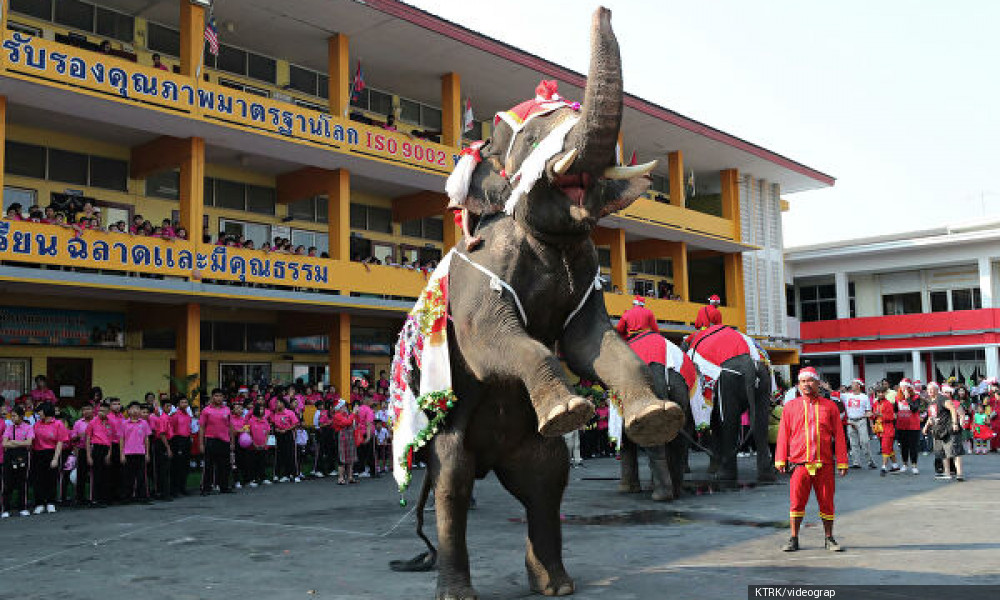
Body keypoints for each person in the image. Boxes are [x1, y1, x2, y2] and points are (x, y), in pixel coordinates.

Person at [774, 367, 849, 552]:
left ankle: (829, 538)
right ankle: (793, 538)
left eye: (810, 381)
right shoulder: (790, 407)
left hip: (824, 464)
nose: (807, 384)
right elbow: (783, 433)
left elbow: (839, 435)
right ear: (799, 385)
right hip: (799, 464)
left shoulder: (830, 406)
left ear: (817, 383)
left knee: (826, 502)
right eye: (803, 382)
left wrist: (842, 460)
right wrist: (780, 458)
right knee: (796, 502)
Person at [923, 384, 966, 481]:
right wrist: (926, 427)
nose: (929, 391)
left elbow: (952, 409)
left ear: (937, 390)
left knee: (955, 451)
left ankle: (959, 474)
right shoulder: (931, 402)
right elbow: (931, 417)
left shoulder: (942, 398)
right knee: (942, 453)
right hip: (939, 431)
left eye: (932, 389)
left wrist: (955, 423)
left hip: (949, 429)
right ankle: (947, 473)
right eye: (928, 389)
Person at [32, 403, 69, 514]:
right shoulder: (37, 424)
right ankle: (39, 503)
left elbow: (60, 442)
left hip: (52, 452)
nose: (38, 413)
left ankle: (50, 502)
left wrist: (55, 458)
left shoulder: (58, 424)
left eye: (40, 411)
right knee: (38, 479)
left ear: (47, 411)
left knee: (51, 478)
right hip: (38, 453)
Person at [199, 389, 233, 495]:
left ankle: (224, 486)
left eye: (220, 396)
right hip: (211, 440)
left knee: (224, 465)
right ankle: (206, 488)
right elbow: (201, 427)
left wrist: (232, 442)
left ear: (223, 397)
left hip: (225, 440)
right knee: (208, 465)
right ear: (212, 397)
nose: (218, 398)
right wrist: (201, 444)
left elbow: (230, 427)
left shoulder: (227, 410)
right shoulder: (206, 410)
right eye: (216, 396)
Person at [2, 407, 33, 517]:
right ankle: (6, 509)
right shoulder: (9, 428)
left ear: (21, 416)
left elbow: (29, 443)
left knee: (22, 482)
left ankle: (22, 507)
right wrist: (20, 442)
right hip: (9, 455)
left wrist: (14, 441)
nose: (12, 418)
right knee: (7, 482)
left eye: (14, 416)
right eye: (12, 416)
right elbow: (4, 444)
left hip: (23, 454)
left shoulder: (28, 427)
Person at [119, 402, 151, 503]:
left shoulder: (144, 423)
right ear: (128, 411)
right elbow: (121, 439)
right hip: (128, 453)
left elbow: (146, 439)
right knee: (128, 476)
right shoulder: (124, 423)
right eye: (132, 408)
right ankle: (127, 497)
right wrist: (122, 454)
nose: (135, 411)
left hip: (140, 453)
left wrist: (147, 453)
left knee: (141, 476)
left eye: (137, 408)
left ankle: (142, 497)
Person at [85, 401, 115, 506]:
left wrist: (109, 454)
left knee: (106, 475)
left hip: (106, 449)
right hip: (96, 448)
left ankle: (104, 498)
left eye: (103, 411)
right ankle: (94, 499)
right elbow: (88, 439)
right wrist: (89, 456)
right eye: (100, 411)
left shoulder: (110, 423)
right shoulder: (93, 422)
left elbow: (110, 439)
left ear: (108, 412)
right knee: (96, 474)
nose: (101, 413)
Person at [842, 379, 875, 469]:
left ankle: (870, 461)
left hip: (861, 420)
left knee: (865, 441)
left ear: (858, 386)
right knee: (853, 443)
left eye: (853, 384)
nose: (852, 385)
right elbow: (835, 395)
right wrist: (828, 389)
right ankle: (856, 462)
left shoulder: (864, 397)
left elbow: (868, 411)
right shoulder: (847, 396)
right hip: (850, 421)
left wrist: (870, 421)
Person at [894, 380, 922, 474]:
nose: (903, 389)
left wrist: (908, 398)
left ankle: (914, 465)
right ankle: (905, 464)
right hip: (901, 426)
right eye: (902, 387)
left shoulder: (916, 397)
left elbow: (914, 409)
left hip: (913, 426)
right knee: (903, 447)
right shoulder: (897, 398)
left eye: (905, 387)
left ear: (909, 388)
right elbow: (895, 411)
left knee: (913, 447)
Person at [70, 404, 94, 505]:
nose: (86, 411)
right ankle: (80, 498)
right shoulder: (78, 423)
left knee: (94, 474)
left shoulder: (97, 421)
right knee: (81, 475)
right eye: (84, 409)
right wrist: (78, 436)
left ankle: (94, 496)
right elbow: (73, 438)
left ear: (93, 410)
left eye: (88, 409)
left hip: (95, 449)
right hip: (82, 450)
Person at [270, 398, 300, 483]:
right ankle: (283, 475)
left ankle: (295, 474)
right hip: (279, 435)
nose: (276, 405)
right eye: (276, 403)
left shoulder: (289, 412)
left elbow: (295, 424)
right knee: (280, 455)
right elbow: (273, 425)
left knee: (291, 454)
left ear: (283, 404)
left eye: (278, 403)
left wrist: (286, 429)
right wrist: (277, 429)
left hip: (289, 434)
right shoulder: (275, 414)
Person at [168, 395, 193, 496]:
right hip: (178, 440)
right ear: (178, 404)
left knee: (185, 465)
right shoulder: (174, 415)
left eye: (186, 402)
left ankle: (183, 487)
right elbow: (172, 429)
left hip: (186, 440)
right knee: (177, 466)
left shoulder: (188, 415)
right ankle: (175, 489)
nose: (185, 404)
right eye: (182, 402)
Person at [150, 397, 173, 500]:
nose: (169, 408)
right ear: (163, 407)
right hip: (162, 443)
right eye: (167, 406)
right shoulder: (163, 418)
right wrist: (168, 448)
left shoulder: (167, 417)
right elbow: (162, 434)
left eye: (170, 406)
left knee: (167, 469)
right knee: (163, 469)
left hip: (167, 441)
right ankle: (163, 493)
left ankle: (165, 491)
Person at [332, 400, 358, 485]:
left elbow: (353, 423)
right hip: (341, 438)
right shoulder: (337, 415)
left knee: (351, 458)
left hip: (349, 437)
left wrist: (354, 415)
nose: (345, 407)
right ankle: (341, 478)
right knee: (342, 459)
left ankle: (350, 477)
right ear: (339, 408)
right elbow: (347, 423)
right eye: (343, 406)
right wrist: (353, 414)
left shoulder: (346, 414)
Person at [873, 389, 897, 476]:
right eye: (878, 392)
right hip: (879, 428)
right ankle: (895, 465)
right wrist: (872, 416)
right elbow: (874, 415)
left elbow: (891, 417)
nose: (880, 394)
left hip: (888, 428)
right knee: (889, 448)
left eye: (882, 392)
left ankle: (883, 467)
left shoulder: (888, 404)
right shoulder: (876, 403)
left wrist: (880, 415)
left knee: (885, 447)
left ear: (885, 393)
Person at [246, 404, 271, 487]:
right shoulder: (251, 420)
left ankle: (263, 478)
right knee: (253, 463)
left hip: (263, 445)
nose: (262, 411)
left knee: (262, 462)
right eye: (260, 409)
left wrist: (265, 443)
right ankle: (253, 479)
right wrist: (254, 443)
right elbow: (248, 433)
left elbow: (268, 432)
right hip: (253, 446)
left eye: (263, 409)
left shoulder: (265, 420)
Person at [230, 401, 251, 489]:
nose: (239, 410)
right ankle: (236, 481)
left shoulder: (244, 419)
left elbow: (247, 429)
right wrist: (240, 430)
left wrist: (246, 430)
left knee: (245, 462)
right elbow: (231, 431)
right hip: (235, 443)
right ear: (233, 410)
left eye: (241, 408)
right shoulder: (231, 419)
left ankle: (246, 481)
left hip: (244, 444)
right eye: (237, 408)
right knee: (235, 463)